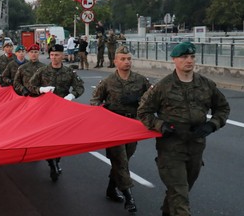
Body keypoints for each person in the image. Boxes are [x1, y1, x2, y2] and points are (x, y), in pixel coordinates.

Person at [137, 42, 230, 216]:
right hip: (171, 148)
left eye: (192, 57)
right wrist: (161, 125)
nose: (189, 60)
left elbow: (223, 108)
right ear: (174, 60)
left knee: (181, 191)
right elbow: (143, 111)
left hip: (196, 146)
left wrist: (212, 124)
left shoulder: (206, 84)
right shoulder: (162, 86)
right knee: (180, 196)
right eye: (184, 57)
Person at [90, 46, 151, 213]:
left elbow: (152, 99)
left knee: (122, 161)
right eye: (123, 59)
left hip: (132, 126)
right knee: (121, 161)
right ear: (115, 61)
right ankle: (129, 198)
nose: (127, 62)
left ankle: (111, 189)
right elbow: (94, 101)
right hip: (114, 128)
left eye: (129, 59)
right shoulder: (108, 82)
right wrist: (104, 114)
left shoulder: (141, 80)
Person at [28, 44, 85, 182]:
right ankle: (52, 162)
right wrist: (41, 90)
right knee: (48, 138)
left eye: (57, 55)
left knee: (60, 139)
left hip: (62, 109)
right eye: (52, 55)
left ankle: (56, 160)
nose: (54, 57)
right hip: (45, 109)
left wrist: (72, 95)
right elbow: (31, 85)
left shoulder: (69, 72)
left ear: (63, 55)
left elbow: (80, 86)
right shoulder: (42, 71)